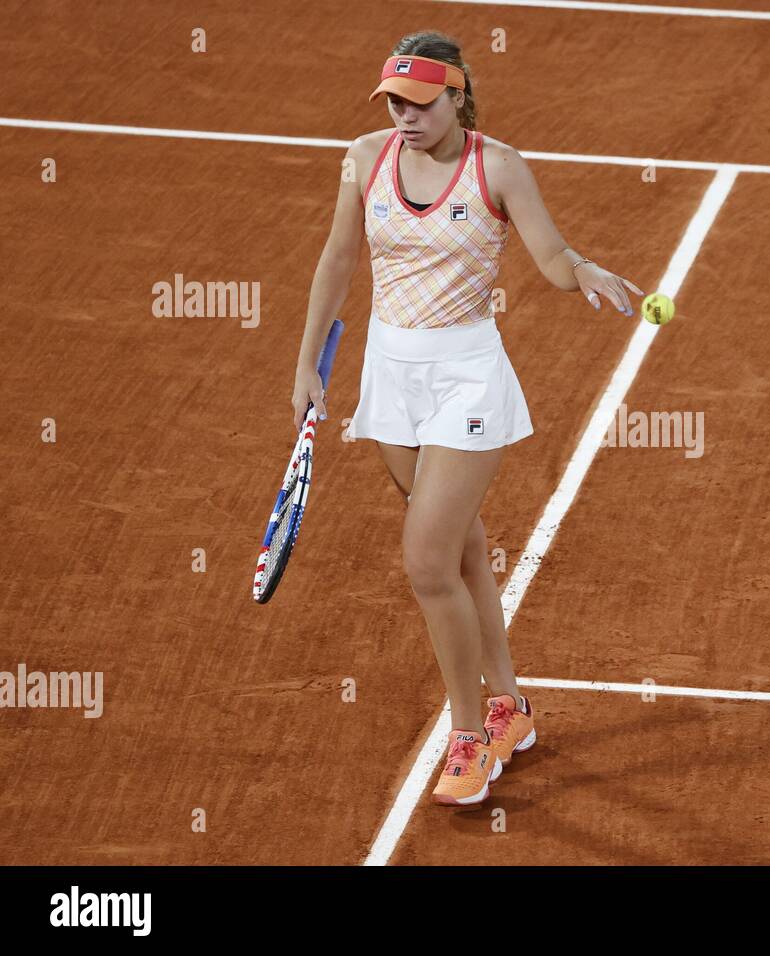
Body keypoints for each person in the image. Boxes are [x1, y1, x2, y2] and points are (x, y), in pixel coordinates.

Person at [290, 30, 644, 807]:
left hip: (465, 382)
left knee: (425, 561)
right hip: (391, 376)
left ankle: (467, 736)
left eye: (421, 102)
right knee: (463, 549)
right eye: (394, 101)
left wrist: (581, 270)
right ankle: (509, 707)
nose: (405, 115)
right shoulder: (365, 157)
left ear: (458, 95)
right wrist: (309, 363)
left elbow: (549, 256)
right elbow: (339, 258)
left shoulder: (499, 167)